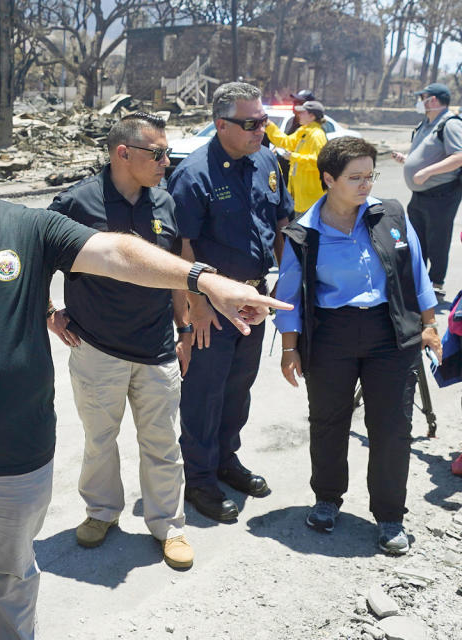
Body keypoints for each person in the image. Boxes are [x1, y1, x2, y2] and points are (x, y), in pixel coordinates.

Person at [0, 114, 289, 638]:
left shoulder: (27, 227)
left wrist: (204, 280)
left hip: (16, 461)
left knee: (15, 579)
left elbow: (117, 253)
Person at [275, 136, 440, 554]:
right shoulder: (304, 233)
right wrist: (290, 348)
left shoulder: (392, 214)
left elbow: (416, 270)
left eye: (370, 175)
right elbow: (290, 294)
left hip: (390, 334)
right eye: (355, 177)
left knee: (391, 427)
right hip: (332, 334)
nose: (366, 184)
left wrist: (429, 324)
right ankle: (327, 499)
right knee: (328, 421)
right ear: (329, 179)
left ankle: (389, 516)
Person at [45, 112, 193, 569]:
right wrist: (48, 314)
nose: (166, 161)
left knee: (164, 443)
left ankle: (169, 525)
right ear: (122, 153)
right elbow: (36, 260)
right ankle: (102, 513)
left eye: (167, 152)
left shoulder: (165, 204)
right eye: (159, 153)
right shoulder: (76, 203)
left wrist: (185, 329)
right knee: (99, 441)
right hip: (95, 348)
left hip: (156, 350)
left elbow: (177, 275)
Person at [167, 82, 294, 522]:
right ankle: (199, 480)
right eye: (251, 123)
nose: (262, 128)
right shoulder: (194, 173)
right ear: (220, 125)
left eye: (264, 121)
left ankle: (226, 460)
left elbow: (280, 223)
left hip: (255, 299)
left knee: (238, 387)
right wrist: (196, 305)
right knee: (204, 392)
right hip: (213, 303)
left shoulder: (266, 160)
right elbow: (180, 245)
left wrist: (282, 282)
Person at [392, 82, 462, 299]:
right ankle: (417, 281)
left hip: (441, 194)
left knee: (437, 240)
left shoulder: (449, 124)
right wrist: (408, 160)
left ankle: (436, 283)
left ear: (433, 100)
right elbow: (428, 153)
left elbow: (459, 156)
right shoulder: (426, 123)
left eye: (422, 97)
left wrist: (426, 172)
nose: (419, 102)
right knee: (416, 238)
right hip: (420, 195)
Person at [265, 100, 329, 217]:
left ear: (312, 116)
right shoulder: (304, 131)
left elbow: (318, 161)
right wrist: (269, 125)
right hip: (302, 196)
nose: (299, 115)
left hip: (310, 198)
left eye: (303, 112)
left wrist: (293, 157)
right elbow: (285, 142)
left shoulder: (316, 135)